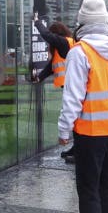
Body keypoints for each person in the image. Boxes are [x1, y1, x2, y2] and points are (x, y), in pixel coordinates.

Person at [59, 0, 108, 213]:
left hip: (91, 134)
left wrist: (64, 130)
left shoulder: (79, 53)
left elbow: (72, 98)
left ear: (81, 21)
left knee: (89, 190)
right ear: (105, 21)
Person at [32, 18, 76, 163]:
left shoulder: (64, 42)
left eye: (53, 36)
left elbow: (48, 36)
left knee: (76, 118)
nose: (50, 41)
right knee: (76, 118)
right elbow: (52, 66)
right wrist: (40, 77)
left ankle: (79, 151)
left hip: (73, 86)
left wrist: (37, 23)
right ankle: (77, 149)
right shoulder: (62, 47)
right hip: (71, 86)